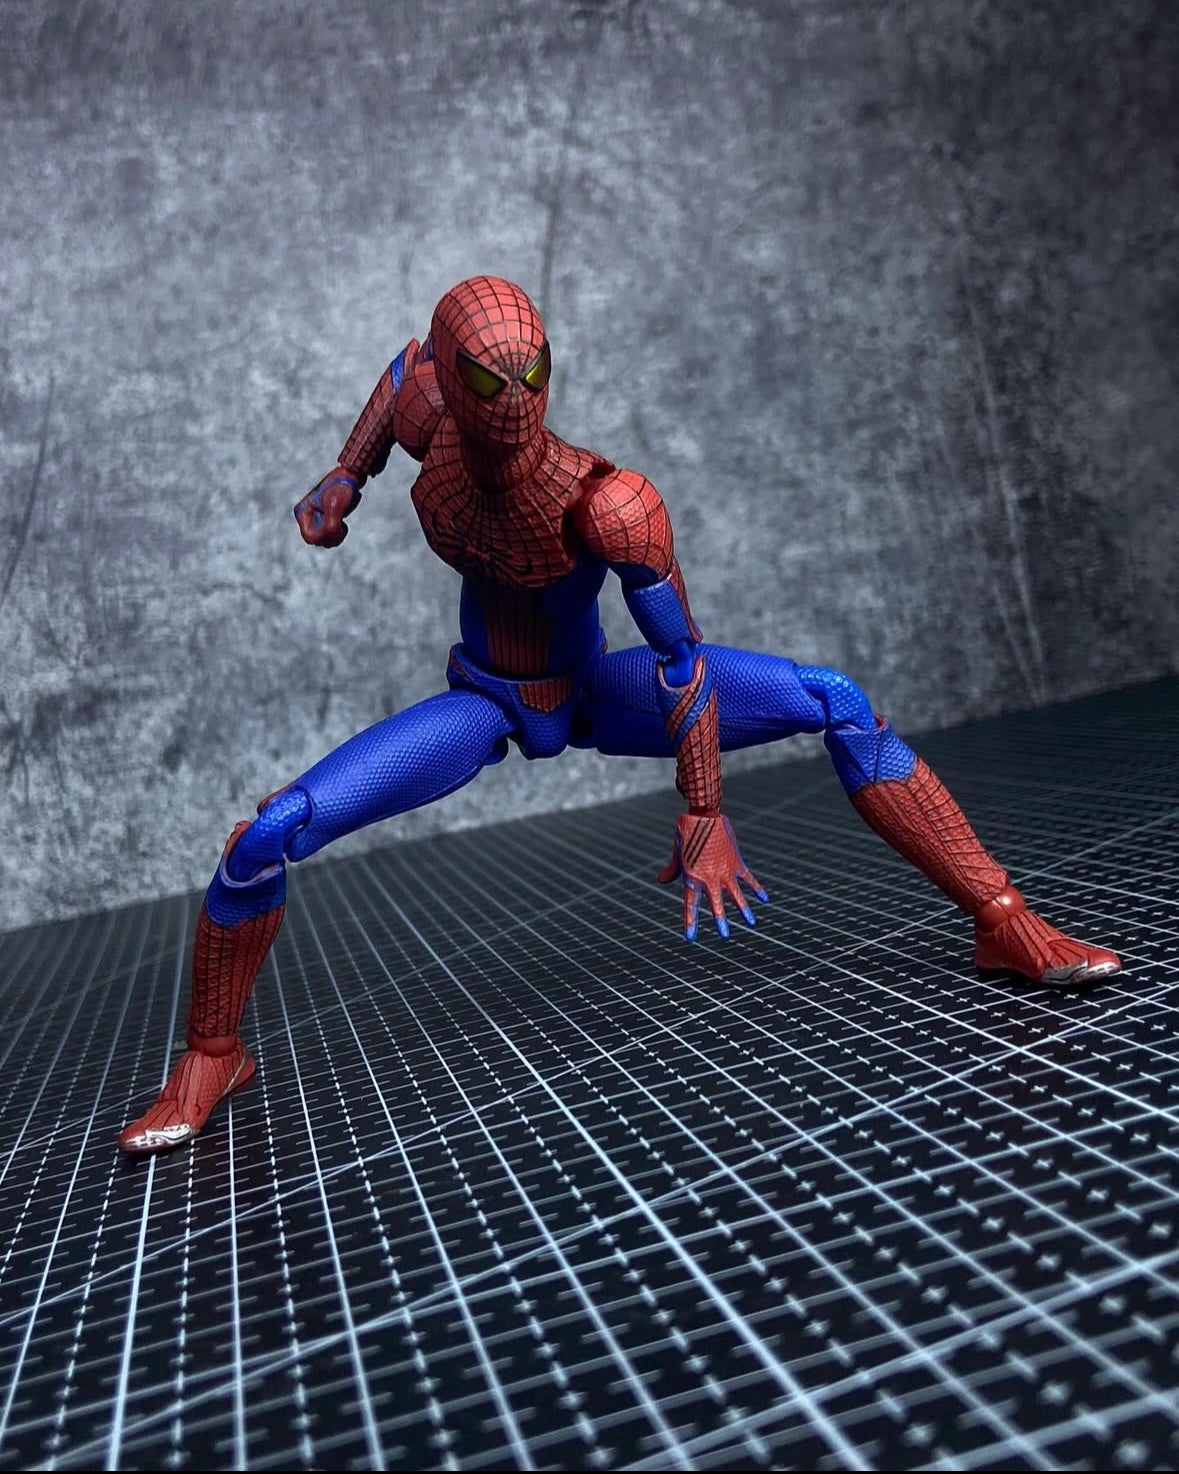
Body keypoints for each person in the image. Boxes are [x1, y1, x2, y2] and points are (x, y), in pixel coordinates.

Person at [119, 275, 1120, 1155]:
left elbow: (682, 666)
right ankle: (213, 1055)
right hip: (484, 702)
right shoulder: (430, 413)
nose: (516, 403)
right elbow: (398, 377)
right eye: (487, 383)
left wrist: (703, 809)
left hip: (600, 691)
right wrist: (346, 475)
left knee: (840, 702)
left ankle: (1004, 919)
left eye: (532, 374)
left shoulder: (607, 503)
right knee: (267, 835)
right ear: (451, 386)